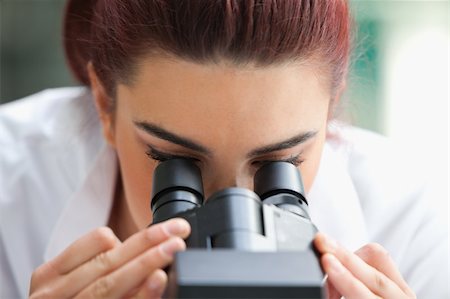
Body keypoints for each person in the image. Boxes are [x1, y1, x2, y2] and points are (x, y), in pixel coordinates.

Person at [0, 0, 447, 298]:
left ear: (329, 111)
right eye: (172, 160)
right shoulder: (10, 182)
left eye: (281, 164)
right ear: (103, 104)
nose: (231, 212)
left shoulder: (410, 216)